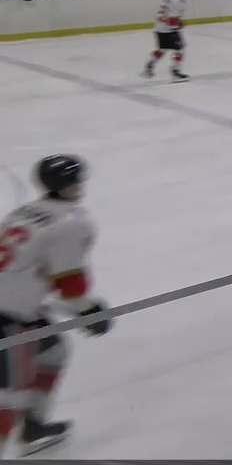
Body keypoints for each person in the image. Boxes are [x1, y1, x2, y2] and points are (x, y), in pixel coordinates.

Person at [0, 155, 112, 456]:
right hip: (9, 317)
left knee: (53, 351)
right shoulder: (72, 222)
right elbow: (70, 284)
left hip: (17, 307)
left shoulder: (24, 211)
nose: (81, 185)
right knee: (8, 393)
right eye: (76, 180)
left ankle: (34, 425)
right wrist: (89, 312)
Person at [142, 0, 190, 81]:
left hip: (159, 28)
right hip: (168, 29)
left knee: (162, 49)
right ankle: (175, 71)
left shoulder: (167, 0)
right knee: (180, 49)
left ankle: (149, 66)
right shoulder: (180, 2)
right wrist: (178, 25)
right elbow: (172, 20)